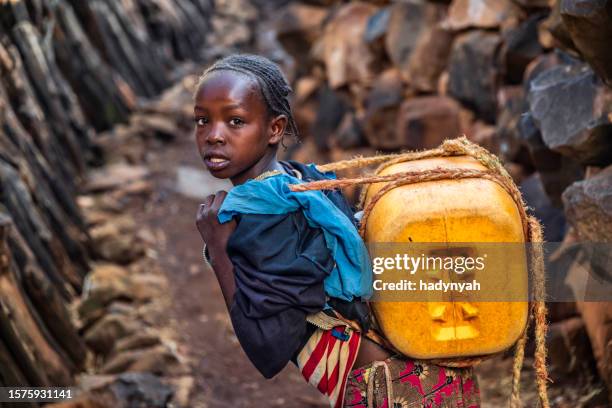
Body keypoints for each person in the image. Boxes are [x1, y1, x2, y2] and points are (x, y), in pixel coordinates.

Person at [194, 54, 480, 408]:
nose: (213, 136)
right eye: (202, 121)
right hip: (431, 376)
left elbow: (266, 350)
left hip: (390, 391)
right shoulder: (303, 181)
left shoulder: (264, 215)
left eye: (235, 121)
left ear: (275, 129)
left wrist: (220, 249)